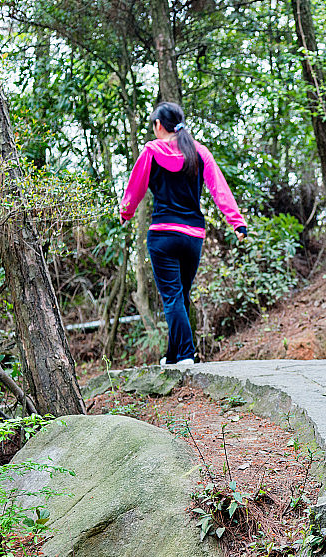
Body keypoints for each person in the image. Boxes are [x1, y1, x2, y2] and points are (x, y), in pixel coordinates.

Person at [120, 102, 247, 365]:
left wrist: (125, 213)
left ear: (158, 125)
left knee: (172, 298)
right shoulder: (199, 153)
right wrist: (237, 222)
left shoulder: (151, 152)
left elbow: (135, 189)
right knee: (181, 295)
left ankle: (187, 355)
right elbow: (219, 189)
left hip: (163, 236)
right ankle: (173, 354)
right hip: (193, 237)